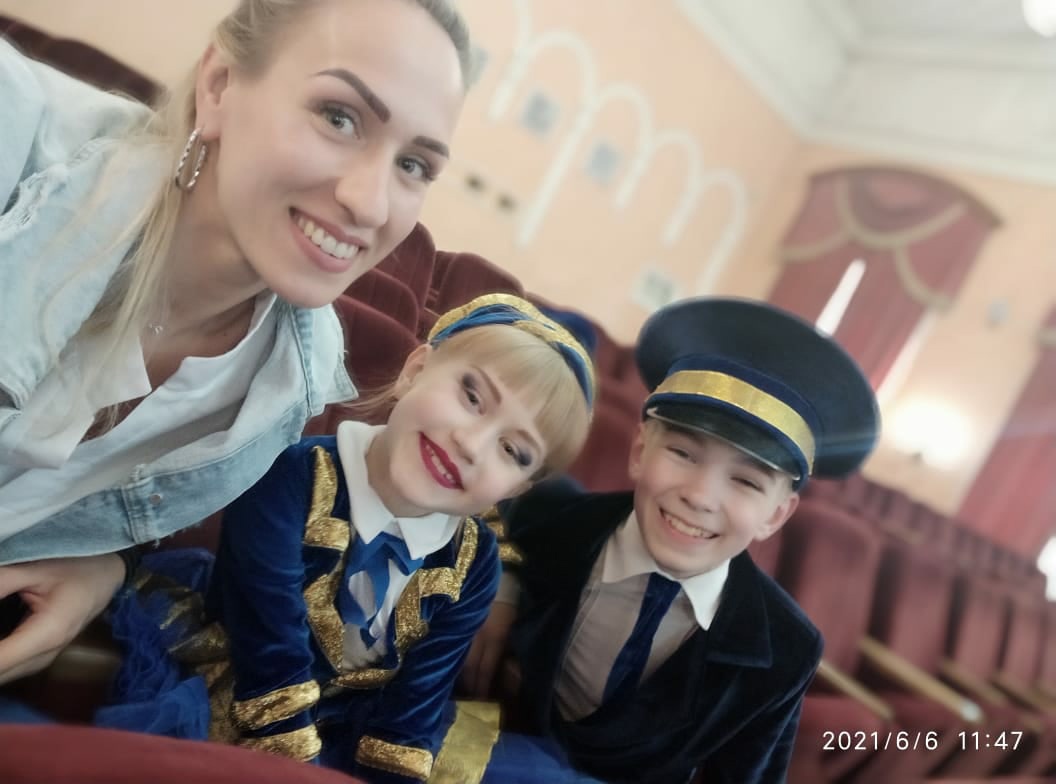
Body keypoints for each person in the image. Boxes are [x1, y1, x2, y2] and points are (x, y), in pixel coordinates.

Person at [0, 0, 471, 686]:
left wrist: (104, 565)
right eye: (338, 116)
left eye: (415, 164)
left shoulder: (287, 388)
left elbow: (106, 501)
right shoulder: (15, 132)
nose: (370, 204)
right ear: (219, 86)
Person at [95, 293, 596, 784]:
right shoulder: (291, 472)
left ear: (517, 489)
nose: (470, 444)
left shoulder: (476, 560)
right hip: (247, 687)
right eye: (471, 396)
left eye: (513, 451)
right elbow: (270, 649)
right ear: (416, 369)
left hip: (357, 720)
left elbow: (414, 707)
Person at [460, 297, 881, 784]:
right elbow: (486, 511)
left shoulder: (784, 649)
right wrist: (502, 582)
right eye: (683, 453)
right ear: (640, 450)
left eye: (746, 482)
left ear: (776, 515)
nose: (699, 496)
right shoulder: (550, 518)